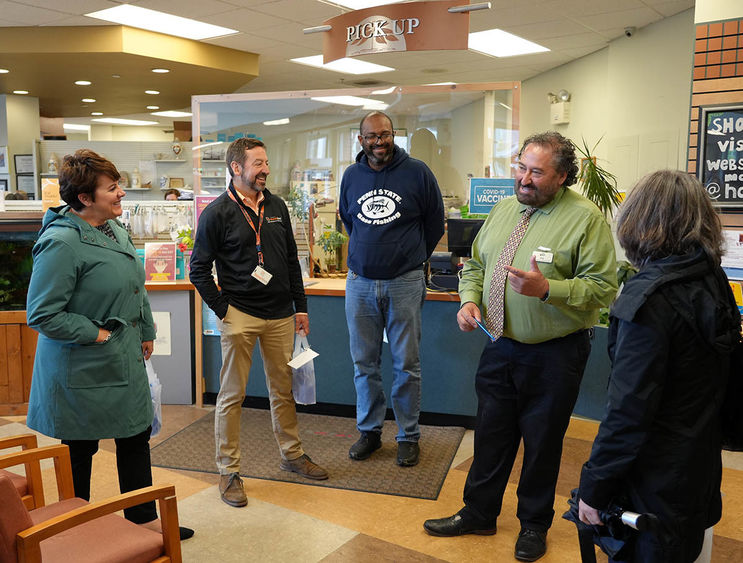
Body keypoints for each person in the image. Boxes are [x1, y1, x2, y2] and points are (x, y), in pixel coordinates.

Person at [423, 131, 617, 562]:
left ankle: (533, 525)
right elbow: (475, 263)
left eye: (537, 172)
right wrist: (469, 300)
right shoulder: (504, 209)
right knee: (491, 435)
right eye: (521, 167)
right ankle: (479, 512)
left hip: (555, 352)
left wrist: (549, 288)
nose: (524, 179)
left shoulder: (586, 219)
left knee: (542, 442)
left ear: (563, 176)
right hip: (499, 345)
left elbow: (604, 288)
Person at [25, 149, 193, 540]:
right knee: (80, 449)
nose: (121, 194)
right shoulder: (62, 243)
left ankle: (142, 517)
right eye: (112, 188)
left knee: (135, 435)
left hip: (122, 358)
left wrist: (147, 329)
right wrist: (97, 334)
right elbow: (42, 314)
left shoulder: (113, 228)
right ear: (85, 198)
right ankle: (73, 527)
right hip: (83, 365)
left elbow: (135, 286)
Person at [577, 170, 741, 562]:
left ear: (641, 221)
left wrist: (594, 488)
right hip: (697, 464)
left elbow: (629, 411)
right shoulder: (713, 279)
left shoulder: (648, 300)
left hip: (651, 478)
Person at [190, 137, 328, 509]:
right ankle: (229, 470)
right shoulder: (217, 213)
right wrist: (224, 309)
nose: (265, 169)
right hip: (241, 315)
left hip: (282, 315)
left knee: (283, 390)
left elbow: (290, 262)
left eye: (266, 163)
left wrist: (300, 308)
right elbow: (198, 270)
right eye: (258, 163)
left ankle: (292, 454)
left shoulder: (278, 207)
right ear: (236, 168)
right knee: (232, 395)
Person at [339, 111, 445, 467]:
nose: (379, 142)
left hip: (404, 281)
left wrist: (411, 258)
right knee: (364, 364)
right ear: (361, 140)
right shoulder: (352, 176)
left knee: (406, 365)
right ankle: (369, 432)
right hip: (360, 284)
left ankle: (407, 436)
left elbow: (433, 223)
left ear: (394, 135)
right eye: (371, 136)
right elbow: (348, 220)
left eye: (384, 135)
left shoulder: (417, 172)